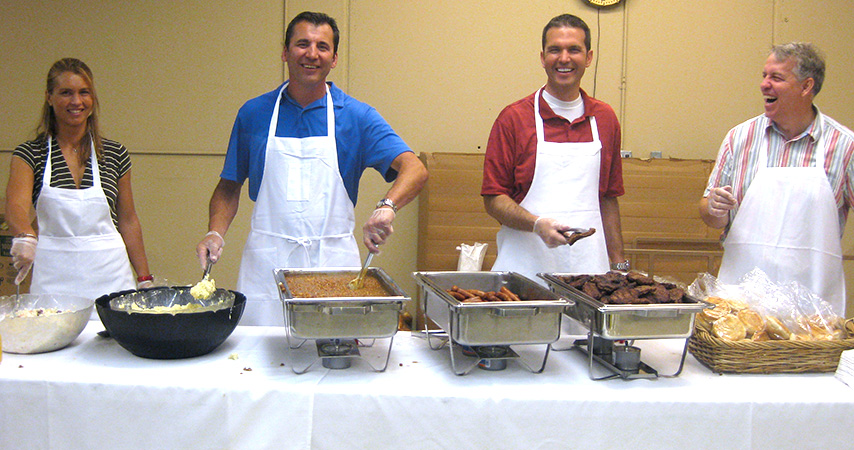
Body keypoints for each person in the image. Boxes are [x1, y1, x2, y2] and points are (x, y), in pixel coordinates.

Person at [196, 11, 427, 326]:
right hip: (268, 264)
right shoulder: (254, 114)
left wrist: (388, 207)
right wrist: (214, 232)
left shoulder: (356, 116)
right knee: (259, 361)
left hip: (332, 264)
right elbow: (228, 187)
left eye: (322, 47)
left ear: (333, 59)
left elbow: (414, 169)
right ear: (285, 52)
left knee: (334, 355)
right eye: (302, 44)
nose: (312, 54)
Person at [700, 42, 854, 314]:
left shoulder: (845, 146)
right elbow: (710, 216)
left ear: (806, 86)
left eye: (776, 78)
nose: (764, 84)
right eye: (764, 75)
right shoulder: (739, 139)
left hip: (813, 308)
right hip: (739, 303)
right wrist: (712, 208)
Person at [481, 13, 628, 287]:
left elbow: (608, 197)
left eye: (574, 49)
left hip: (590, 277)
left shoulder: (605, 119)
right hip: (523, 276)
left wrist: (619, 267)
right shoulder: (514, 119)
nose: (564, 58)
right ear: (542, 57)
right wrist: (537, 225)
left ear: (588, 57)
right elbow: (493, 199)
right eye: (555, 50)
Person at [5, 58, 154, 304]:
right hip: (53, 280)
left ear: (92, 98)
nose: (76, 101)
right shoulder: (30, 154)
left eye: (84, 92)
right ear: (49, 97)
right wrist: (25, 236)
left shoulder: (115, 154)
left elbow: (128, 219)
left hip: (111, 278)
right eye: (66, 93)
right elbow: (16, 206)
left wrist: (145, 278)